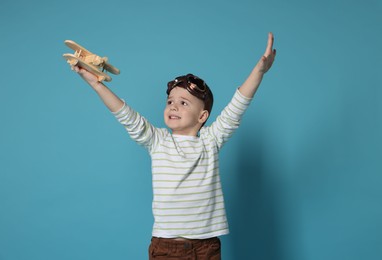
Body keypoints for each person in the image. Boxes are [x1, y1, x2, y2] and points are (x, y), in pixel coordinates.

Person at [70, 32, 276, 259]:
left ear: (202, 116)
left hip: (206, 248)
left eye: (183, 102)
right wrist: (96, 85)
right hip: (167, 248)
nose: (173, 106)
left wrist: (258, 71)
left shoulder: (211, 140)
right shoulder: (158, 141)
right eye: (170, 101)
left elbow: (238, 105)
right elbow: (125, 114)